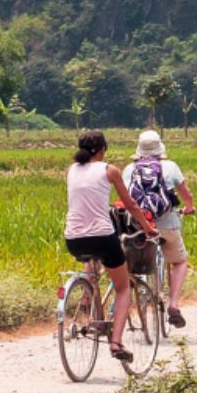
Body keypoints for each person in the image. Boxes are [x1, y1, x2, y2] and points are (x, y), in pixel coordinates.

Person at [65, 130, 156, 362]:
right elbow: (131, 204)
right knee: (123, 286)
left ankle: (88, 304)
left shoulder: (70, 171)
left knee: (92, 266)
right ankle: (116, 343)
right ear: (103, 149)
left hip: (73, 239)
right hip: (103, 236)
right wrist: (147, 228)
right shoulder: (109, 170)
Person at [125, 130, 196, 328]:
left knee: (131, 264)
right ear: (160, 148)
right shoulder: (171, 166)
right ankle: (173, 305)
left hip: (139, 226)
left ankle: (128, 298)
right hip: (167, 225)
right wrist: (189, 207)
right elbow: (185, 194)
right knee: (180, 262)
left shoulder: (130, 169)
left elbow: (126, 199)